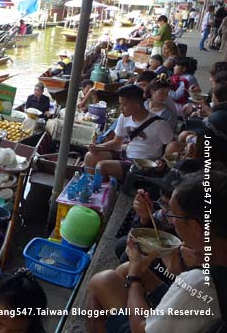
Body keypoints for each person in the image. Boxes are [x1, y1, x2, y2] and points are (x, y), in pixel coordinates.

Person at [86, 169, 226, 333]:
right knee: (125, 269)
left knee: (101, 280)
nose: (170, 219)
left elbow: (141, 330)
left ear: (195, 227)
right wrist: (179, 272)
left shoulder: (198, 282)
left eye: (174, 215)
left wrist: (134, 278)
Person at [84, 85, 173, 180]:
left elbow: (171, 146)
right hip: (126, 154)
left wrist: (161, 161)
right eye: (120, 104)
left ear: (137, 106)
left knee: (101, 167)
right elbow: (117, 143)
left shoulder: (159, 124)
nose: (120, 108)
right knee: (90, 156)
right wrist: (97, 147)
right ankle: (92, 187)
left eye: (124, 105)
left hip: (143, 163)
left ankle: (107, 190)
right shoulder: (124, 117)